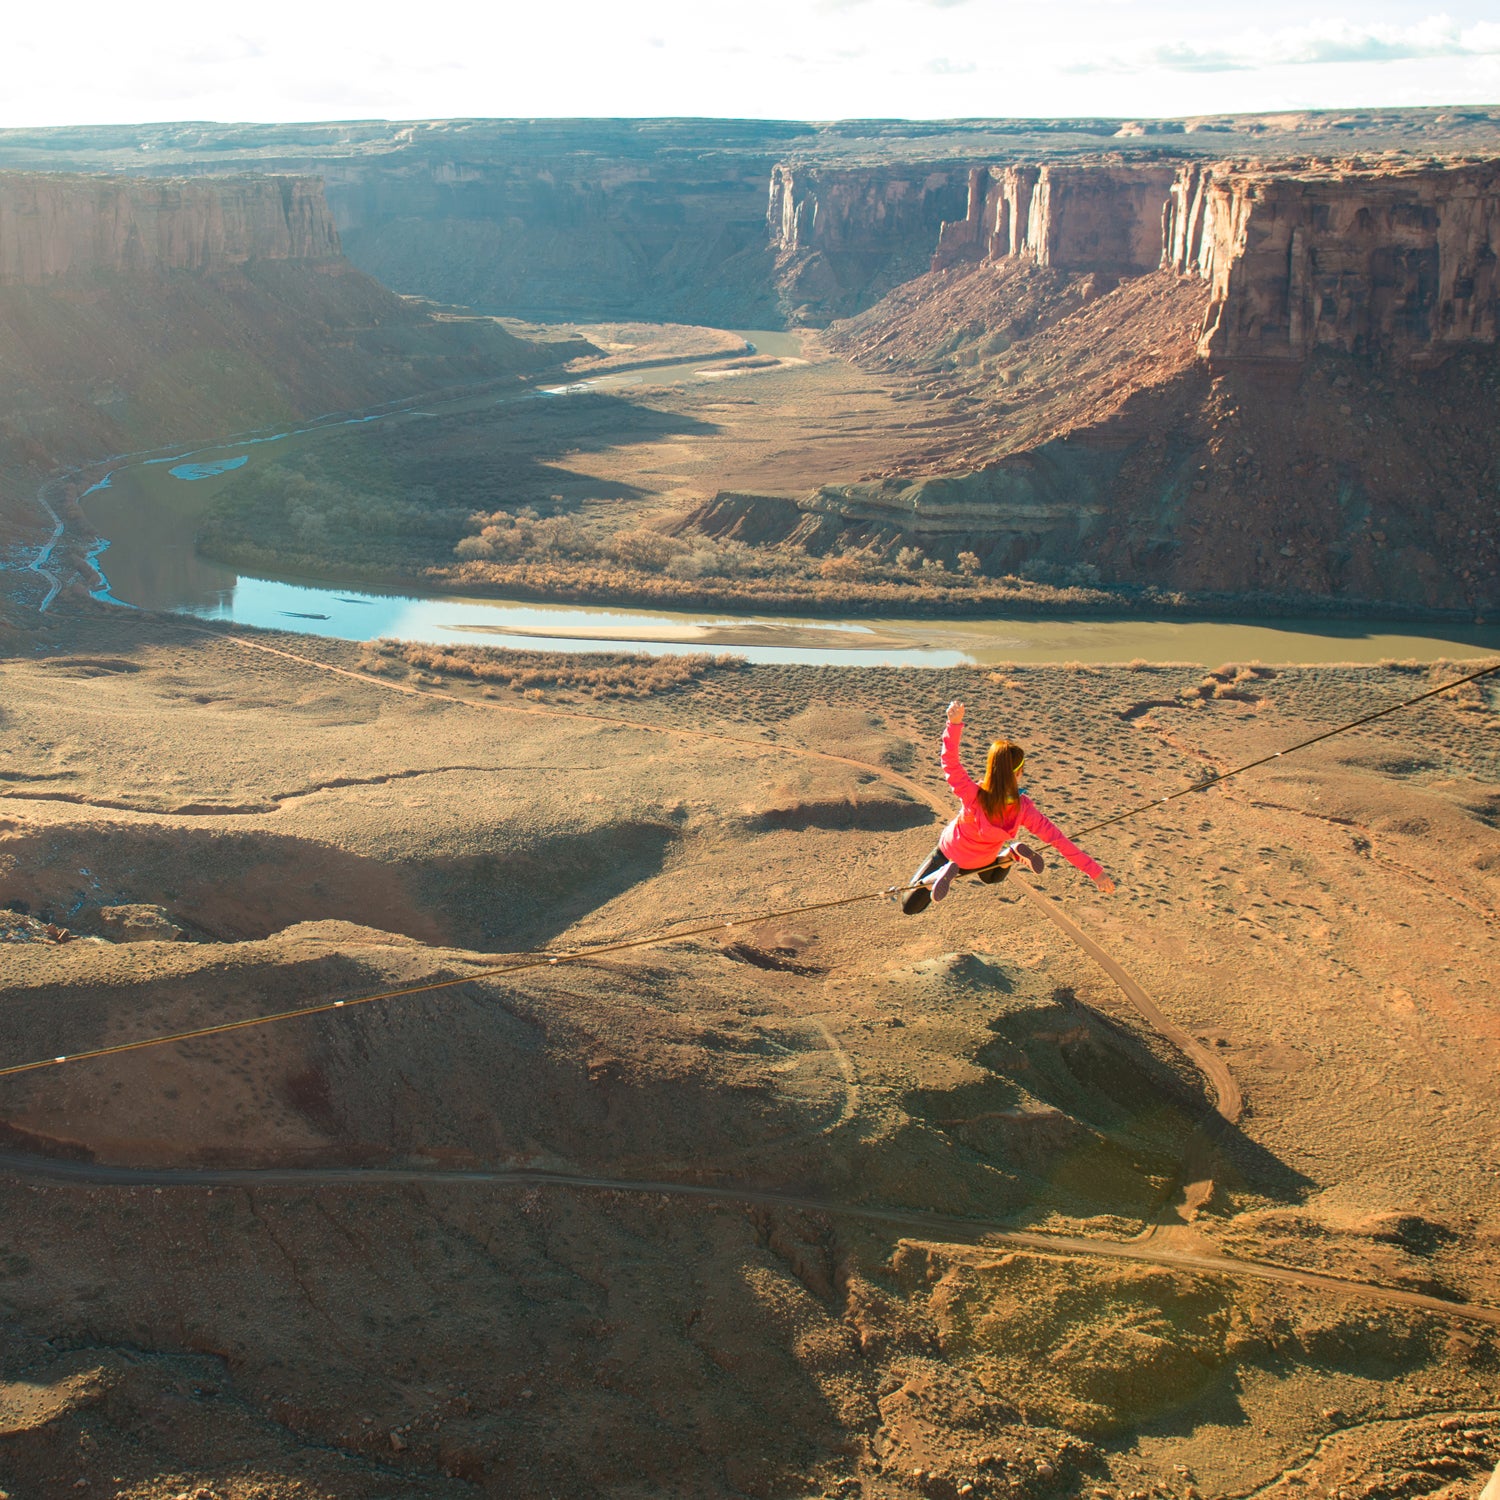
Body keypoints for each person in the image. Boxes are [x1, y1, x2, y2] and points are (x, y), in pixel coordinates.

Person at [902, 699, 1116, 915]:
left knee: (909, 905)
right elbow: (1058, 841)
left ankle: (935, 877)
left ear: (990, 769)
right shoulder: (1023, 809)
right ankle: (1010, 854)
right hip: (985, 861)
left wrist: (954, 724)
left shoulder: (972, 795)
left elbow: (950, 762)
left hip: (950, 854)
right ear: (1019, 773)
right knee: (992, 876)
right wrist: (1096, 873)